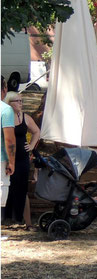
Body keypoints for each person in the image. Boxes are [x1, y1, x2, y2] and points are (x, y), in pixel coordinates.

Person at [2, 92, 40, 228]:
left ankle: (28, 223)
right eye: (17, 101)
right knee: (6, 187)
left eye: (21, 101)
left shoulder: (25, 117)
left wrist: (30, 146)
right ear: (9, 103)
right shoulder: (5, 116)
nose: (20, 103)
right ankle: (4, 220)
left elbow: (37, 131)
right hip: (7, 157)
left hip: (22, 158)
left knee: (22, 189)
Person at [1, 78, 15, 231]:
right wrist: (12, 162)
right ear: (4, 89)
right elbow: (9, 139)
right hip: (1, 159)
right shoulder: (5, 109)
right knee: (1, 189)